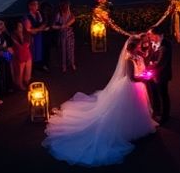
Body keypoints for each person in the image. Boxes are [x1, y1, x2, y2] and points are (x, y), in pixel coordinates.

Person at [43, 34, 158, 166]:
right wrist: (145, 78)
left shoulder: (138, 56)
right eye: (138, 46)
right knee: (126, 109)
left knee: (137, 108)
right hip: (131, 87)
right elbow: (132, 78)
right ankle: (127, 129)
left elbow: (143, 62)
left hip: (138, 87)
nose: (140, 48)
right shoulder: (129, 61)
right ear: (133, 47)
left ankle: (136, 126)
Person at [144, 27, 173, 123]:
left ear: (156, 35)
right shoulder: (153, 43)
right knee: (154, 94)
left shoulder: (166, 45)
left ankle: (165, 117)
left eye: (150, 35)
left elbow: (161, 63)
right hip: (152, 75)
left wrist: (147, 68)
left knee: (163, 95)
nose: (149, 37)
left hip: (162, 75)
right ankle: (156, 112)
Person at [22, 0, 48, 73]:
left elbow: (42, 23)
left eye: (37, 4)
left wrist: (41, 26)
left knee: (39, 52)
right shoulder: (26, 16)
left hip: (38, 36)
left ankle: (38, 66)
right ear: (30, 6)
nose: (37, 6)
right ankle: (30, 70)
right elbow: (28, 29)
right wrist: (40, 29)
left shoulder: (38, 14)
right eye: (35, 4)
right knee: (32, 53)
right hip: (31, 38)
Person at [0, 18, 15, 97]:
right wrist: (3, 48)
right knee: (1, 75)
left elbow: (8, 43)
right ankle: (2, 92)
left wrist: (6, 49)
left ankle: (9, 88)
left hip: (5, 57)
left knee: (7, 72)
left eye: (0, 25)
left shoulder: (2, 34)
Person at [52, 0, 76, 73]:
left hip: (70, 35)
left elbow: (73, 20)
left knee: (70, 50)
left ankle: (72, 63)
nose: (68, 7)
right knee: (63, 51)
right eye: (67, 5)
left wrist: (65, 25)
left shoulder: (70, 14)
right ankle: (64, 66)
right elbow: (53, 26)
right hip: (62, 35)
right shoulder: (59, 15)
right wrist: (60, 27)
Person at [11, 19, 34, 91]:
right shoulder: (13, 35)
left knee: (28, 70)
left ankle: (26, 81)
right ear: (16, 28)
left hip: (27, 54)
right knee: (20, 72)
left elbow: (28, 44)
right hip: (20, 55)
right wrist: (20, 36)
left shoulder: (26, 34)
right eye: (19, 26)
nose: (20, 28)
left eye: (21, 26)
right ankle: (20, 84)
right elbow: (19, 45)